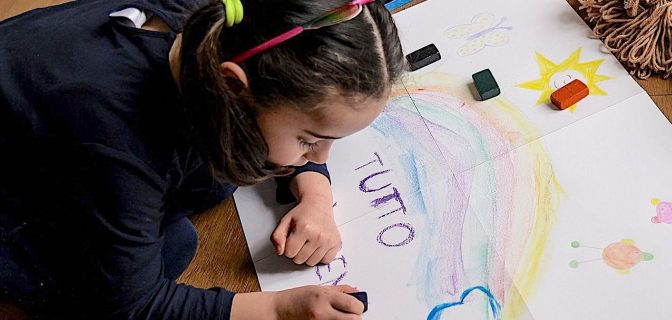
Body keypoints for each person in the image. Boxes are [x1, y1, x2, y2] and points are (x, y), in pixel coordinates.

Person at [0, 0, 405, 318]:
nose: (319, 156)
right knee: (174, 245)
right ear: (232, 87)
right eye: (309, 140)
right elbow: (132, 306)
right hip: (21, 186)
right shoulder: (120, 145)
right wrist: (279, 309)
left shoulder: (236, 21)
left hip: (51, 105)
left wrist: (314, 189)